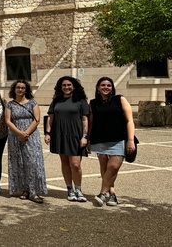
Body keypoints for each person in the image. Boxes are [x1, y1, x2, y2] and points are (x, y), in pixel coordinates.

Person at [88, 77, 136, 207]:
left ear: (112, 87)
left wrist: (130, 140)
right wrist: (87, 140)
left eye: (109, 85)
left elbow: (130, 121)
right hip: (99, 139)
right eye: (102, 85)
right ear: (98, 88)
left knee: (113, 167)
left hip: (119, 138)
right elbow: (91, 123)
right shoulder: (92, 103)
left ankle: (102, 194)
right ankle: (112, 194)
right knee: (105, 169)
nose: (106, 87)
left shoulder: (120, 99)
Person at [44, 76, 89, 203]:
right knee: (64, 163)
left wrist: (85, 136)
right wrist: (48, 133)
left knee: (75, 164)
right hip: (60, 134)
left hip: (75, 134)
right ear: (60, 87)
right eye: (64, 85)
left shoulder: (80, 101)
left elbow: (85, 119)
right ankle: (70, 189)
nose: (66, 87)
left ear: (74, 86)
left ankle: (78, 189)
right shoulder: (56, 101)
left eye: (69, 85)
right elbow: (50, 117)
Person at [5, 79, 46, 203]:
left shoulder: (32, 103)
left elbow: (37, 119)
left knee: (32, 162)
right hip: (15, 136)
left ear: (26, 90)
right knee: (19, 162)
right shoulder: (10, 104)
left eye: (23, 88)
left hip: (31, 136)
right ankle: (24, 189)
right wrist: (19, 133)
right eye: (18, 87)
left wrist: (26, 132)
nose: (20, 90)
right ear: (14, 89)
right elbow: (8, 120)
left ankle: (33, 191)